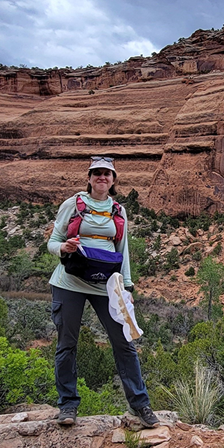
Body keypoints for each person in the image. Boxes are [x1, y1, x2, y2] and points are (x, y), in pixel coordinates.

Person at [47, 156, 158, 427]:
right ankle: (68, 406)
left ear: (113, 180)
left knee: (124, 343)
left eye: (107, 174)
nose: (102, 178)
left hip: (107, 284)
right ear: (89, 177)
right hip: (69, 282)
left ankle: (140, 405)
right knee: (67, 345)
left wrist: (128, 287)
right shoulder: (72, 205)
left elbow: (123, 251)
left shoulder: (118, 210)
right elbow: (53, 241)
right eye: (97, 173)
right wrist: (63, 248)